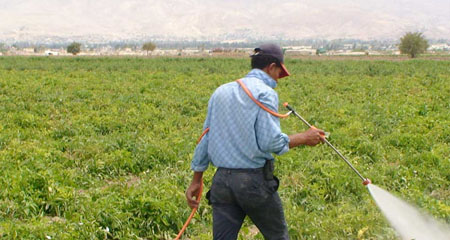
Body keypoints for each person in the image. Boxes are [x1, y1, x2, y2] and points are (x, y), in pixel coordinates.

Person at [185, 43, 325, 240]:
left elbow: (205, 138)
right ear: (271, 67)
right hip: (253, 183)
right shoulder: (265, 93)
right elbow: (271, 142)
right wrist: (305, 137)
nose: (278, 78)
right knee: (278, 237)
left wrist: (196, 180)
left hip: (222, 183)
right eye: (279, 72)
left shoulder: (221, 92)